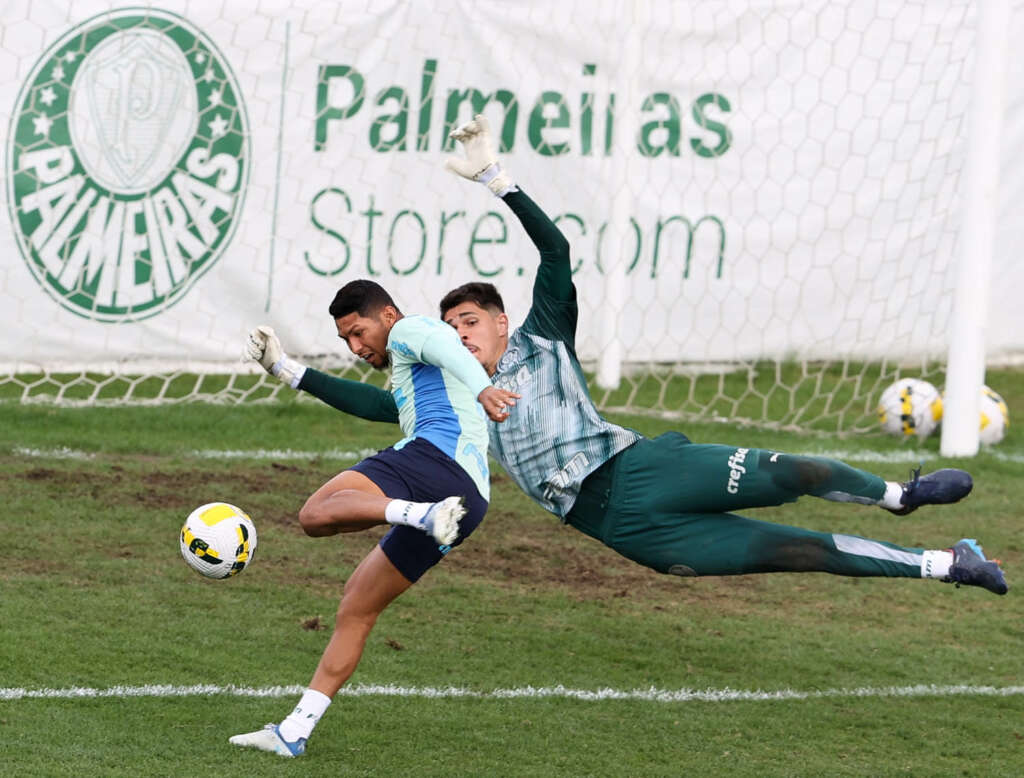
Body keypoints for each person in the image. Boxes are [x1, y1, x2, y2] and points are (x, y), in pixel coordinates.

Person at [252, 116, 1007, 609]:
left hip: (643, 469)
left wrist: (496, 181)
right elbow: (375, 408)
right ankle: (948, 564)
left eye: (471, 320)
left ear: (502, 319)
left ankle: (896, 497)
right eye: (451, 326)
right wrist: (291, 372)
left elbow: (557, 251)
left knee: (798, 475)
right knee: (799, 552)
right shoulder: (451, 392)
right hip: (624, 530)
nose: (461, 333)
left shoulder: (543, 334)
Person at [230, 279, 519, 758]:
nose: (356, 347)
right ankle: (293, 732)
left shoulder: (410, 331)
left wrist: (486, 388)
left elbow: (445, 343)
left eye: (358, 332)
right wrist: (282, 368)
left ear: (386, 316)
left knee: (315, 513)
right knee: (356, 607)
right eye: (345, 340)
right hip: (467, 500)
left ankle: (418, 514)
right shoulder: (416, 382)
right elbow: (374, 404)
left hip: (433, 463)